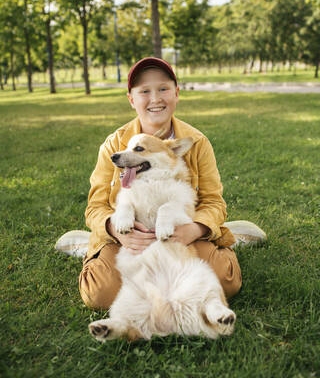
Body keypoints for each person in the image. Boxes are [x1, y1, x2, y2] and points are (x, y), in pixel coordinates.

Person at [79, 57, 242, 310]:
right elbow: (95, 207)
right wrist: (114, 228)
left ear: (176, 94)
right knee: (101, 293)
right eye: (144, 91)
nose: (155, 99)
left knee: (224, 280)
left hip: (181, 235)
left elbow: (213, 202)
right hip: (130, 238)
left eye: (163, 89)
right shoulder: (113, 145)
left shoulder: (196, 142)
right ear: (132, 99)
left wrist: (195, 230)